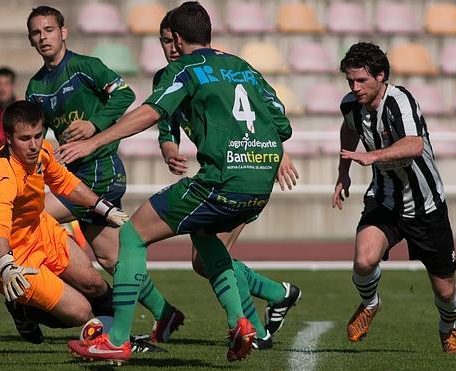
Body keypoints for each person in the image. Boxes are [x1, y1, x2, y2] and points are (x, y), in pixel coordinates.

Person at [62, 2, 294, 363]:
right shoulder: (242, 67)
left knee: (132, 235)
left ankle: (117, 340)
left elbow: (152, 112)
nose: (169, 47)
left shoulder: (185, 69)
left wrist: (94, 140)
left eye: (172, 40)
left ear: (180, 38)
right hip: (259, 183)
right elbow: (282, 125)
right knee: (204, 237)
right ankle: (241, 322)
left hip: (222, 180)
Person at [24, 5, 183, 344]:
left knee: (33, 215)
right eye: (37, 33)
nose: (44, 37)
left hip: (100, 171)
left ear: (63, 32)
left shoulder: (85, 67)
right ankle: (165, 311)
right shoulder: (36, 86)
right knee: (112, 258)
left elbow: (125, 94)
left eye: (49, 30)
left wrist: (95, 124)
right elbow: (32, 131)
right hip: (75, 173)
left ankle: (32, 297)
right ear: (31, 40)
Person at [155, 11, 301, 350]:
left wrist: (278, 152)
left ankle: (258, 323)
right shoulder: (169, 77)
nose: (171, 47)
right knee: (204, 260)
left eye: (172, 39)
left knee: (211, 258)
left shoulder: (217, 71)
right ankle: (276, 299)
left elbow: (256, 115)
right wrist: (168, 149)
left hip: (238, 173)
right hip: (220, 174)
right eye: (164, 41)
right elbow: (166, 125)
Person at [331, 42, 456, 353]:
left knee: (445, 292)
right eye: (350, 80)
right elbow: (348, 129)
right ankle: (370, 304)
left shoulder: (400, 101)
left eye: (361, 80)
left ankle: (449, 329)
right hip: (385, 199)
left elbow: (414, 145)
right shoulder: (351, 105)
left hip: (426, 205)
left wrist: (374, 156)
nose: (355, 87)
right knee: (364, 260)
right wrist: (343, 172)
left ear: (381, 76)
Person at [0, 100, 129, 344]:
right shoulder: (1, 175)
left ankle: (121, 339)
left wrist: (103, 208)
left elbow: (64, 181)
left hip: (39, 229)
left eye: (38, 135)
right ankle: (22, 308)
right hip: (7, 256)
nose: (33, 145)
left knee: (94, 282)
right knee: (80, 312)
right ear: (8, 138)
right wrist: (6, 264)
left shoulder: (41, 151)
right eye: (25, 139)